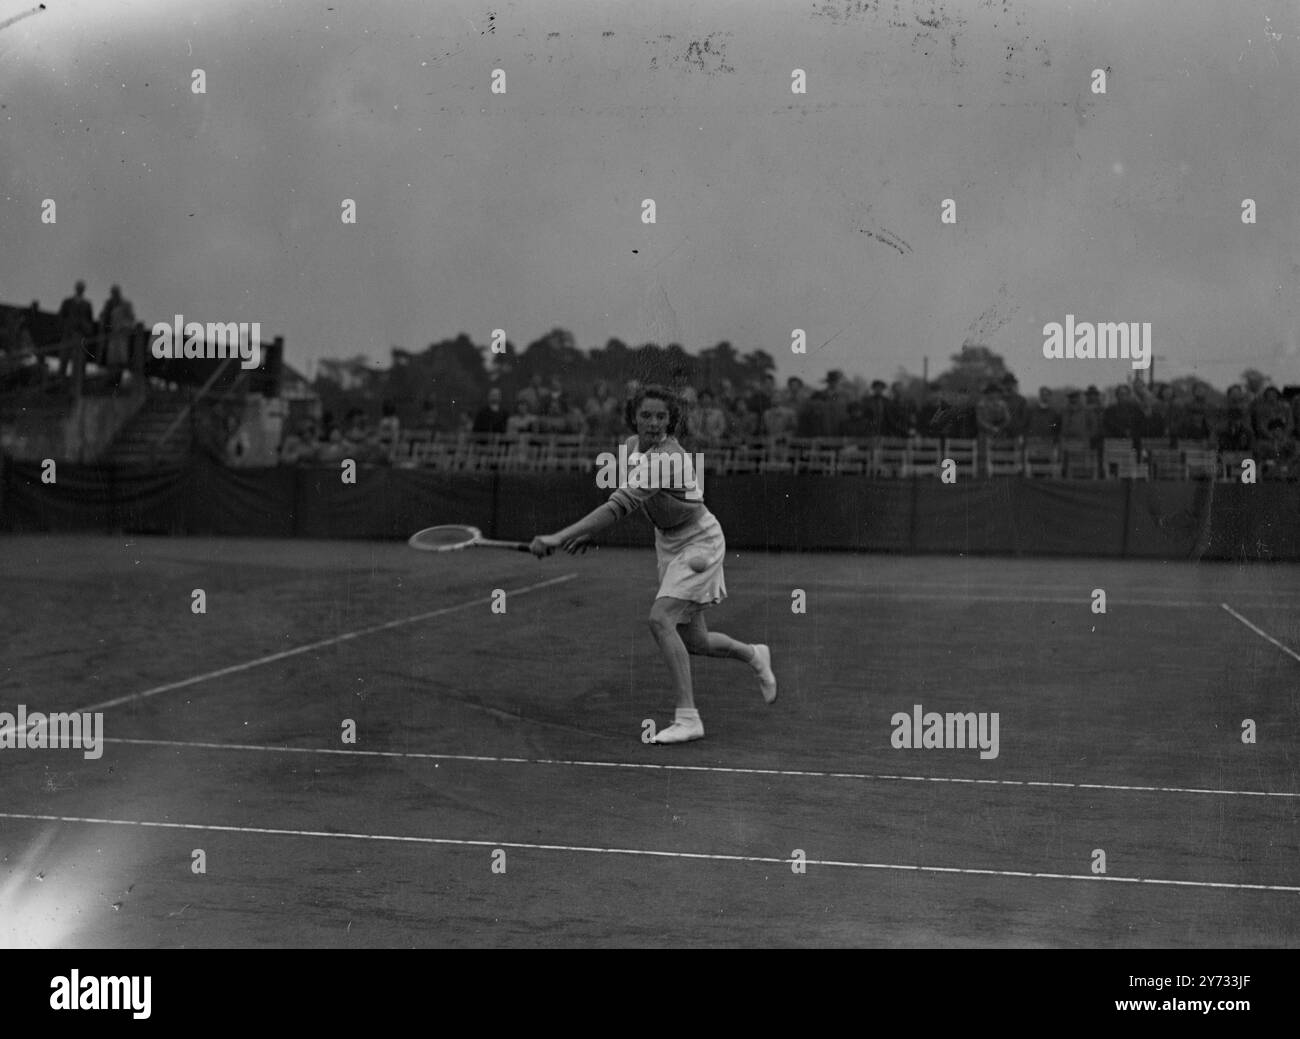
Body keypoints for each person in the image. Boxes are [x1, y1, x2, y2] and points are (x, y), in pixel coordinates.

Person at [528, 384, 777, 745]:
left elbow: (618, 506)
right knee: (696, 640)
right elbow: (629, 501)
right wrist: (589, 533)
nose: (654, 423)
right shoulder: (629, 448)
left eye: (662, 416)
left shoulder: (668, 458)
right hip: (669, 543)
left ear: (671, 420)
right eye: (646, 415)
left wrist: (556, 536)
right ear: (634, 417)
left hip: (700, 543)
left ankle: (688, 717)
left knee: (660, 619)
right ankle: (755, 655)